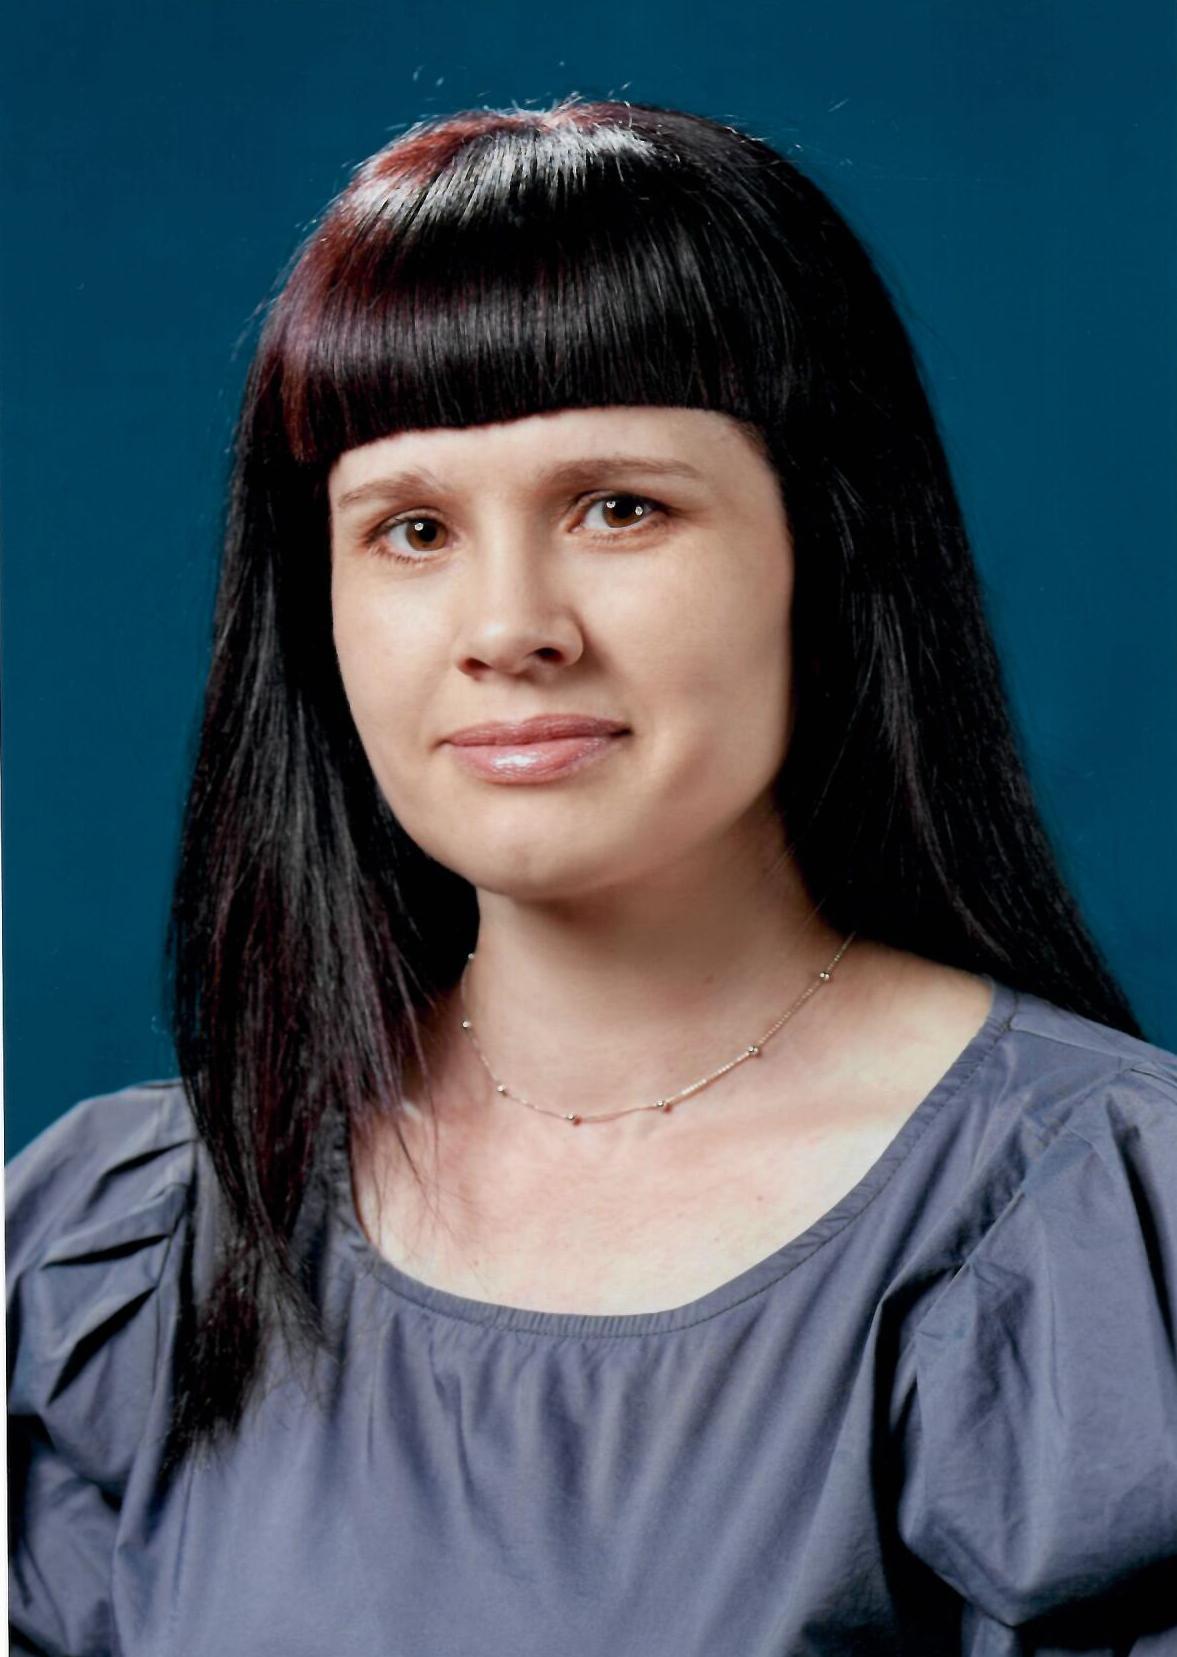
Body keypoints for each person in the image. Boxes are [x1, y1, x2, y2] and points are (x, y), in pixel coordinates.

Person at [7, 96, 1177, 1657]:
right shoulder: (122, 1247)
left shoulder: (1089, 1236)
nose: (510, 626)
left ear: (826, 546)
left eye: (618, 507)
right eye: (410, 528)